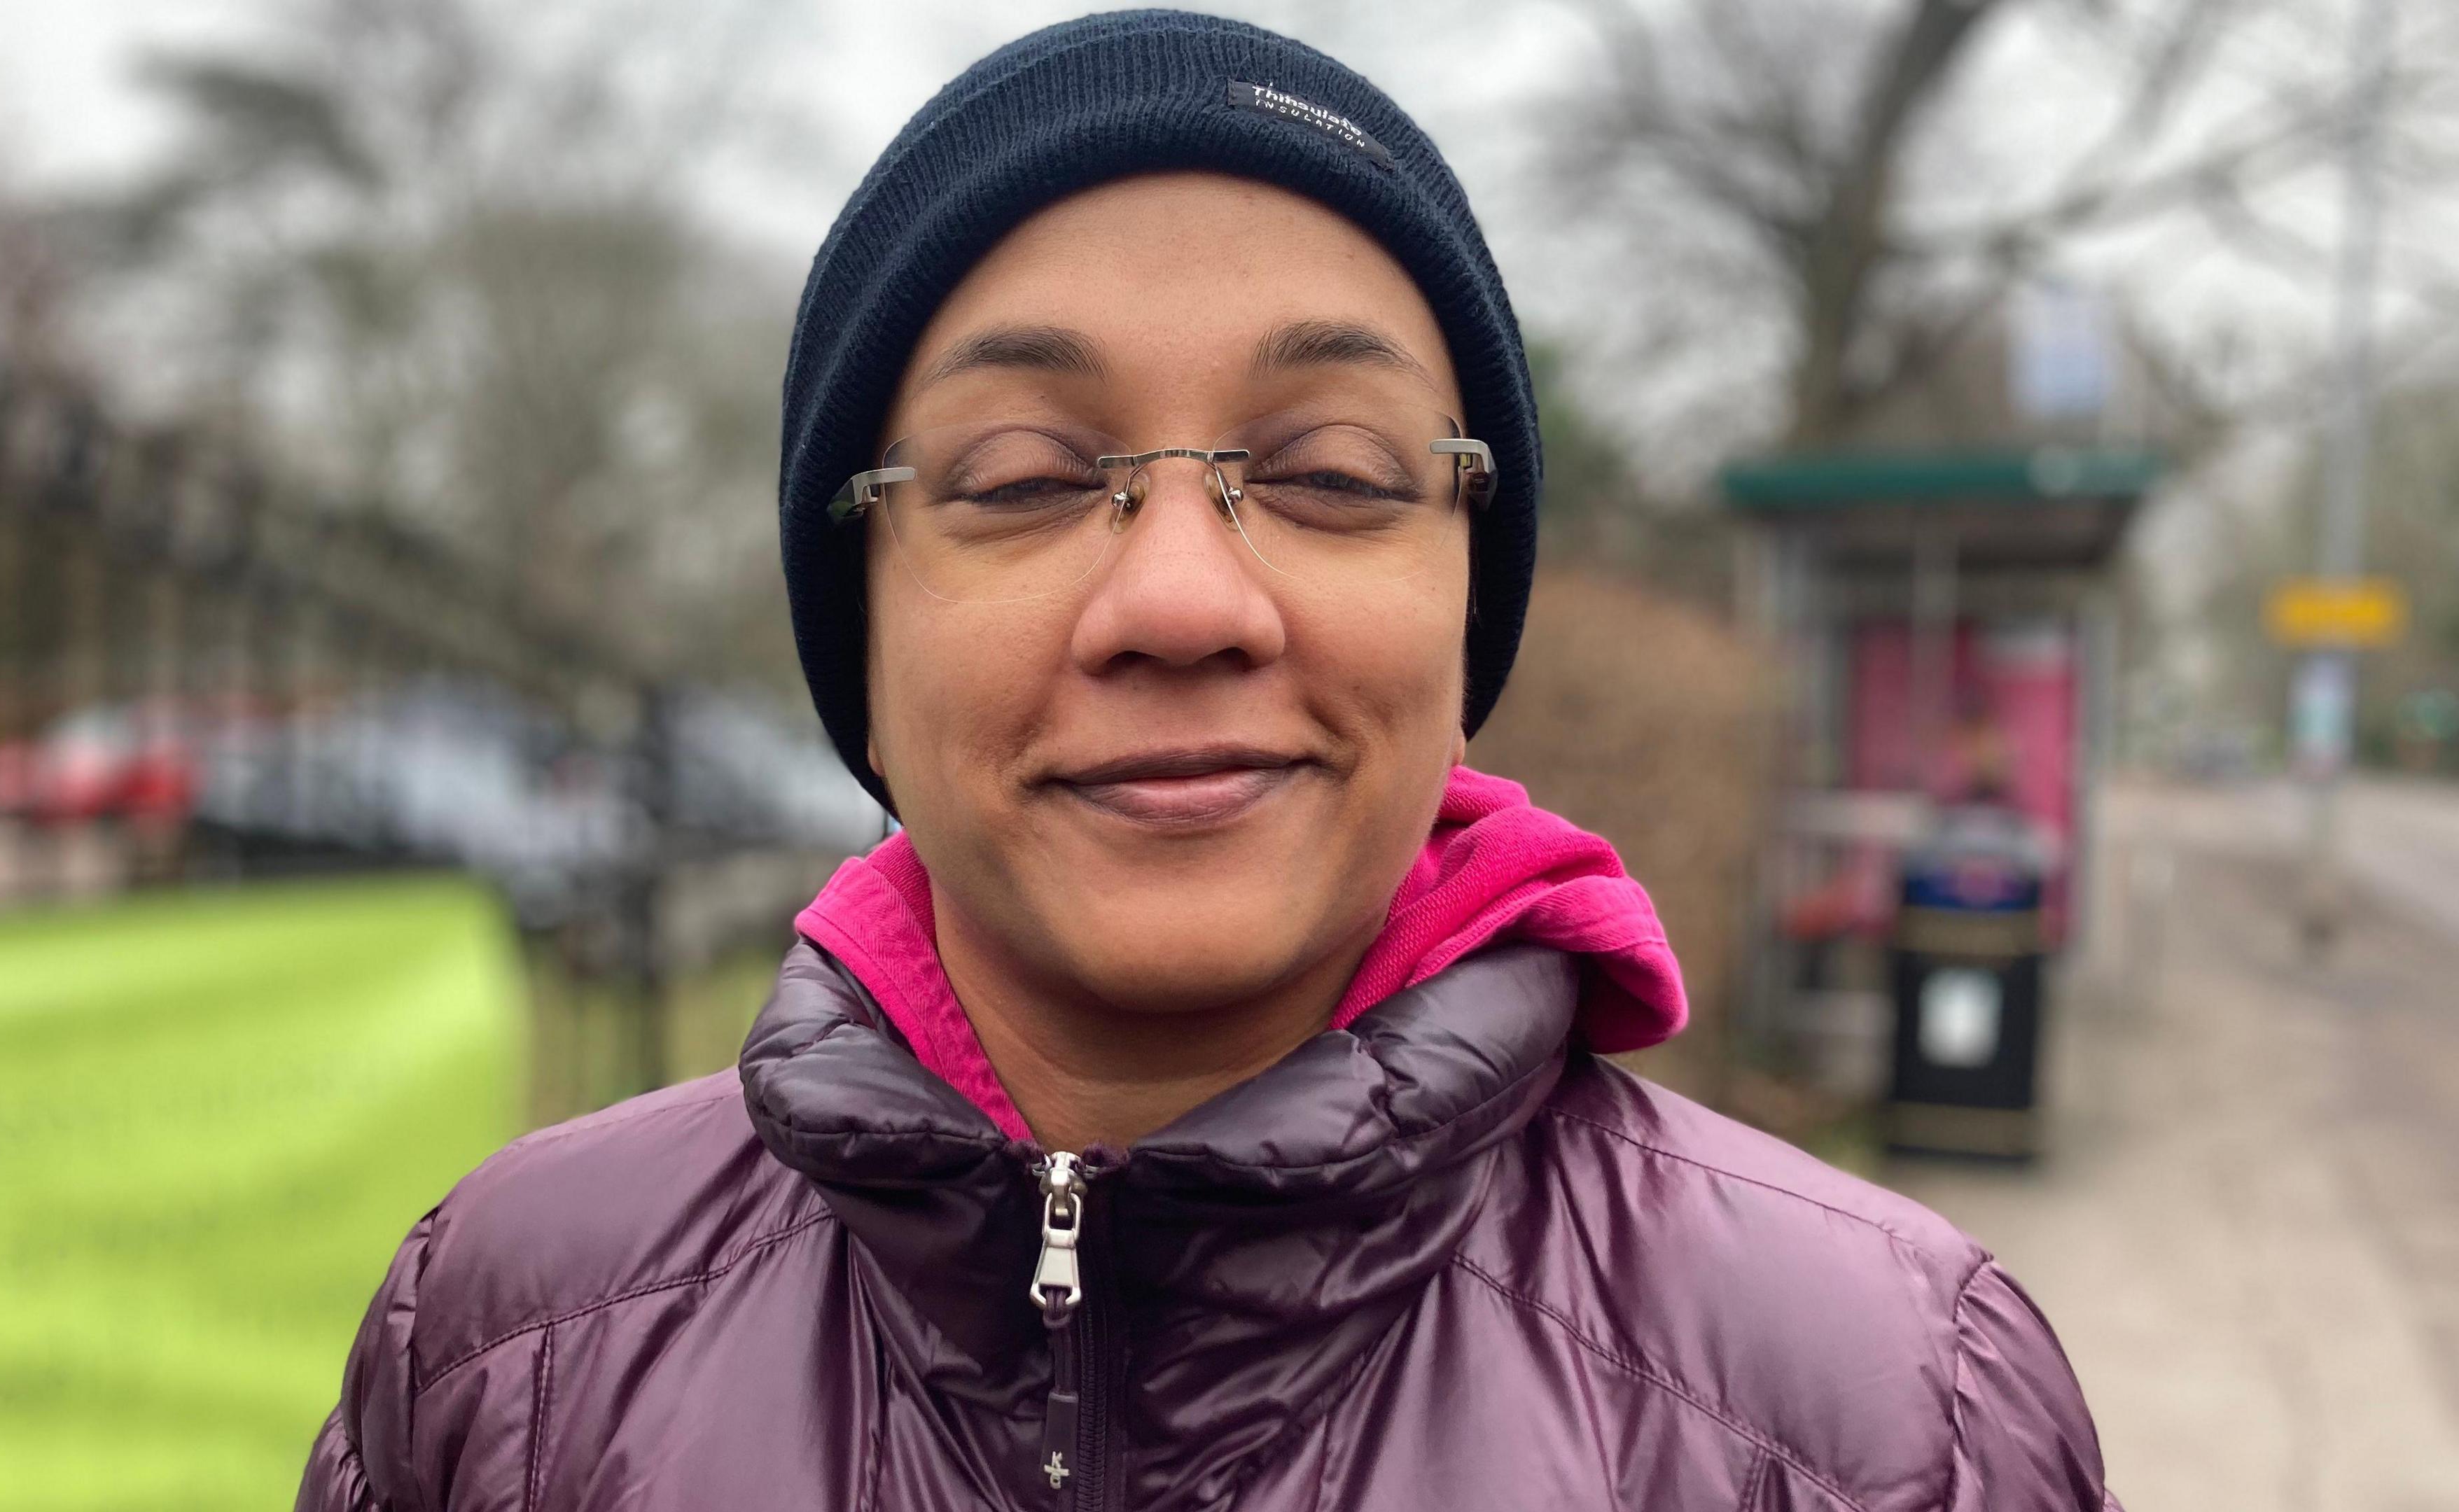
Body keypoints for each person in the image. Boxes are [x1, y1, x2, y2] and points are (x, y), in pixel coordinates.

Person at [297, 13, 2118, 1509]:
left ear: (1464, 597)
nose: (1182, 598)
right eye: (1016, 477)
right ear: (859, 621)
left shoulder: (1884, 1419)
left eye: (1332, 472)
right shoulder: (505, 1353)